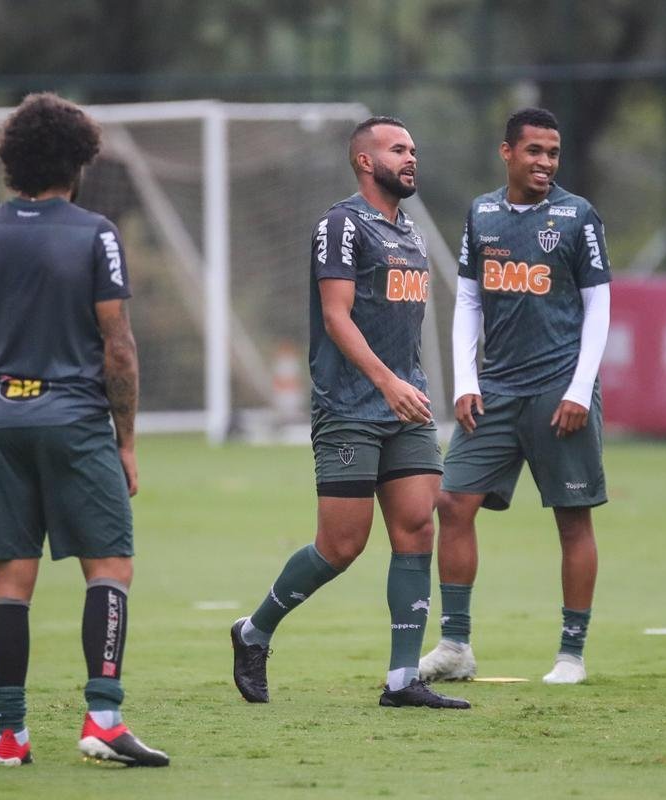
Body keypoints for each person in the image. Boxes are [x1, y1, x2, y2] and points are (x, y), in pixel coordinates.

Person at [0, 93, 169, 766]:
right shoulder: (95, 232)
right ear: (79, 161)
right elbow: (119, 344)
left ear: (11, 160)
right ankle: (102, 719)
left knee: (11, 581)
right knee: (109, 566)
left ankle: (10, 735)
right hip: (75, 422)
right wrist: (126, 441)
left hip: (3, 423)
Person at [230, 117, 469, 710]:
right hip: (351, 407)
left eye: (413, 148)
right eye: (397, 149)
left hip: (405, 404)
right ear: (365, 161)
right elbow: (337, 317)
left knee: (417, 528)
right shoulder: (340, 224)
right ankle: (253, 631)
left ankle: (402, 680)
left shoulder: (410, 233)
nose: (410, 157)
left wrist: (405, 387)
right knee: (341, 545)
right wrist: (386, 383)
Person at [418, 108, 612, 685]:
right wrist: (467, 380)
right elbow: (470, 301)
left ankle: (571, 654)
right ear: (508, 153)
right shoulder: (482, 214)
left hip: (560, 390)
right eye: (534, 152)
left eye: (553, 153)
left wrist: (580, 387)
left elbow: (599, 305)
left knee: (572, 520)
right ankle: (455, 646)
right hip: (495, 391)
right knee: (452, 503)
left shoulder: (578, 217)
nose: (545, 163)